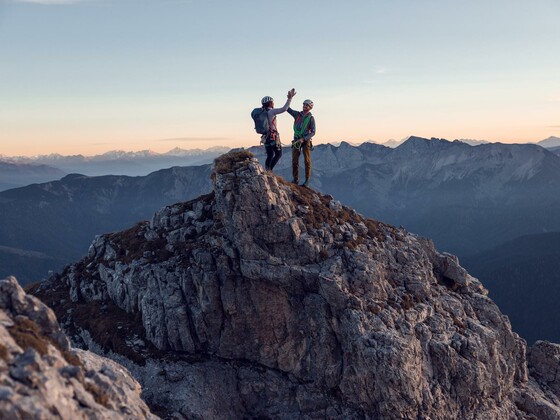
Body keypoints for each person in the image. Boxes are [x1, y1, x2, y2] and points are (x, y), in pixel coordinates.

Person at [261, 89, 296, 171]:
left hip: (265, 137)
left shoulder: (261, 112)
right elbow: (284, 109)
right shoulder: (271, 111)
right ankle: (269, 171)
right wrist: (289, 98)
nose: (273, 103)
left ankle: (267, 170)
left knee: (270, 155)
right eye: (272, 102)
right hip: (273, 136)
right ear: (270, 103)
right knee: (278, 154)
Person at [288, 99, 316, 186]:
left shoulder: (311, 118)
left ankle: (307, 180)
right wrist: (289, 99)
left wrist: (303, 139)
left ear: (310, 107)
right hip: (296, 140)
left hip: (305, 141)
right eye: (304, 104)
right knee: (294, 160)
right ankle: (295, 179)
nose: (304, 106)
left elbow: (313, 132)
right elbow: (287, 109)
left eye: (307, 105)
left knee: (307, 160)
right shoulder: (297, 115)